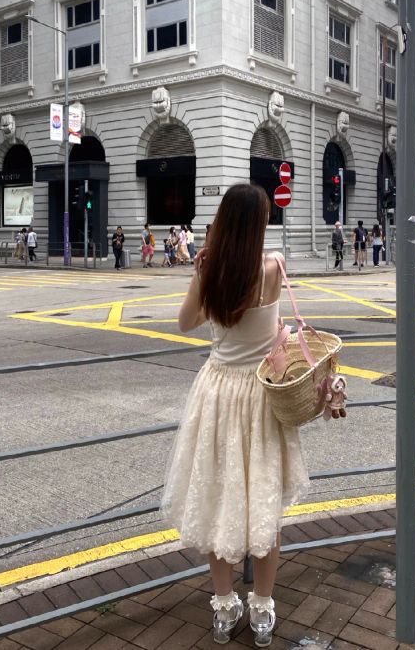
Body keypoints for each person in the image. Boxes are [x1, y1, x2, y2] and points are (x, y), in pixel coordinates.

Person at [162, 183, 343, 647]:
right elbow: (274, 329)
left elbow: (185, 323)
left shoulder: (211, 270)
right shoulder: (274, 267)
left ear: (223, 223)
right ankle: (262, 607)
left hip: (218, 393)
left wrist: (199, 275)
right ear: (259, 225)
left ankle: (225, 607)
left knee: (215, 501)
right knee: (264, 504)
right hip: (261, 395)